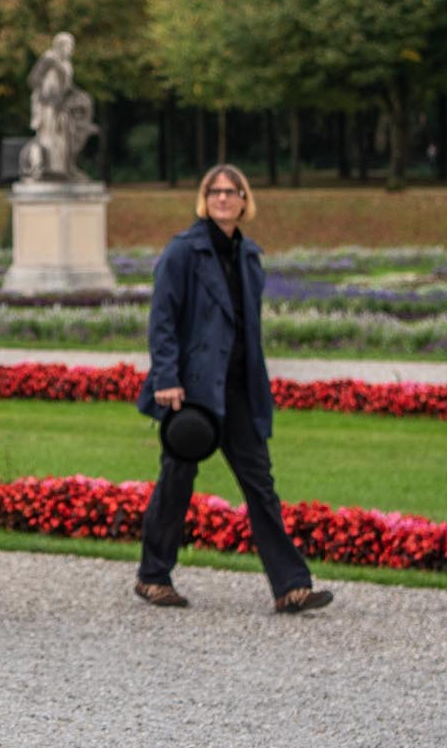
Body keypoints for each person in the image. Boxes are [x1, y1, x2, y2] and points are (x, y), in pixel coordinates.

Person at [135, 166, 334, 614]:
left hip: (240, 388)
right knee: (177, 481)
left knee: (259, 483)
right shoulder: (183, 252)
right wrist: (166, 377)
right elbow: (162, 317)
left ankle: (291, 585)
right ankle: (152, 575)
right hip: (193, 390)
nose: (223, 198)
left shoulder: (248, 256)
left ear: (245, 201)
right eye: (215, 191)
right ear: (204, 199)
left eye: (232, 191)